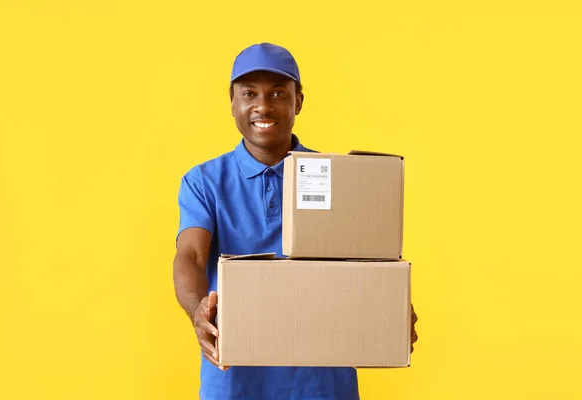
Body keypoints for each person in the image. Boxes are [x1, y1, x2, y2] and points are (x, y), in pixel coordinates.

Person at [173, 42, 418, 400]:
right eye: (249, 93)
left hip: (322, 381)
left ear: (298, 101)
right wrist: (198, 311)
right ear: (232, 102)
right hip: (235, 377)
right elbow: (191, 256)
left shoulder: (339, 177)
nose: (263, 105)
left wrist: (390, 306)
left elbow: (370, 262)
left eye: (277, 93)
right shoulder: (204, 181)